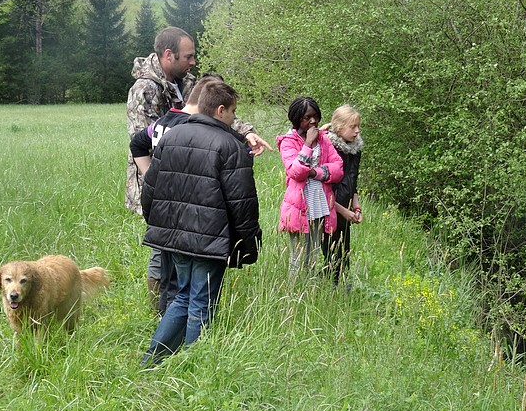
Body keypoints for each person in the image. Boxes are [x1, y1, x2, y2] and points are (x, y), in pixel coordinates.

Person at [125, 27, 271, 309]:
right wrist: (155, 178)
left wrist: (246, 132)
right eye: (188, 56)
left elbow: (215, 110)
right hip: (161, 184)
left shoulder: (188, 82)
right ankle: (162, 313)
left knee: (185, 248)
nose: (193, 62)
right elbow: (146, 140)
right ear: (169, 55)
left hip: (192, 180)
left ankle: (184, 308)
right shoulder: (144, 90)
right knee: (162, 251)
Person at [139, 80, 262, 366]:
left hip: (176, 238)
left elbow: (150, 190)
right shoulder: (230, 145)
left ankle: (150, 362)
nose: (234, 118)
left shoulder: (172, 136)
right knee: (202, 304)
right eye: (233, 112)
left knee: (183, 296)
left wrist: (159, 225)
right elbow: (242, 205)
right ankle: (197, 370)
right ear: (220, 110)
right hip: (211, 241)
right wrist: (249, 243)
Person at [129, 76, 228, 315]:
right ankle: (170, 314)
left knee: (160, 253)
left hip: (162, 203)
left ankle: (162, 314)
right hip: (186, 205)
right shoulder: (192, 128)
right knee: (179, 272)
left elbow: (137, 144)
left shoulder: (165, 121)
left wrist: (151, 174)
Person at [276, 97, 344, 278]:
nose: (313, 121)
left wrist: (315, 173)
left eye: (316, 117)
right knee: (297, 258)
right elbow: (295, 172)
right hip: (298, 206)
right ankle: (293, 296)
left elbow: (338, 168)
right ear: (297, 118)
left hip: (320, 204)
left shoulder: (324, 141)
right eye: (307, 117)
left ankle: (310, 293)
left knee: (313, 256)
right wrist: (307, 145)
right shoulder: (288, 141)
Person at [320, 105, 364, 286]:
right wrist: (343, 211)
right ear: (338, 127)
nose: (357, 130)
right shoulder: (328, 149)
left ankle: (340, 292)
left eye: (358, 126)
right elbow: (324, 189)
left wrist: (356, 207)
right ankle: (325, 290)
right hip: (327, 211)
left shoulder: (355, 150)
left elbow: (353, 183)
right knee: (330, 257)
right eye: (352, 126)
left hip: (345, 210)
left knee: (344, 255)